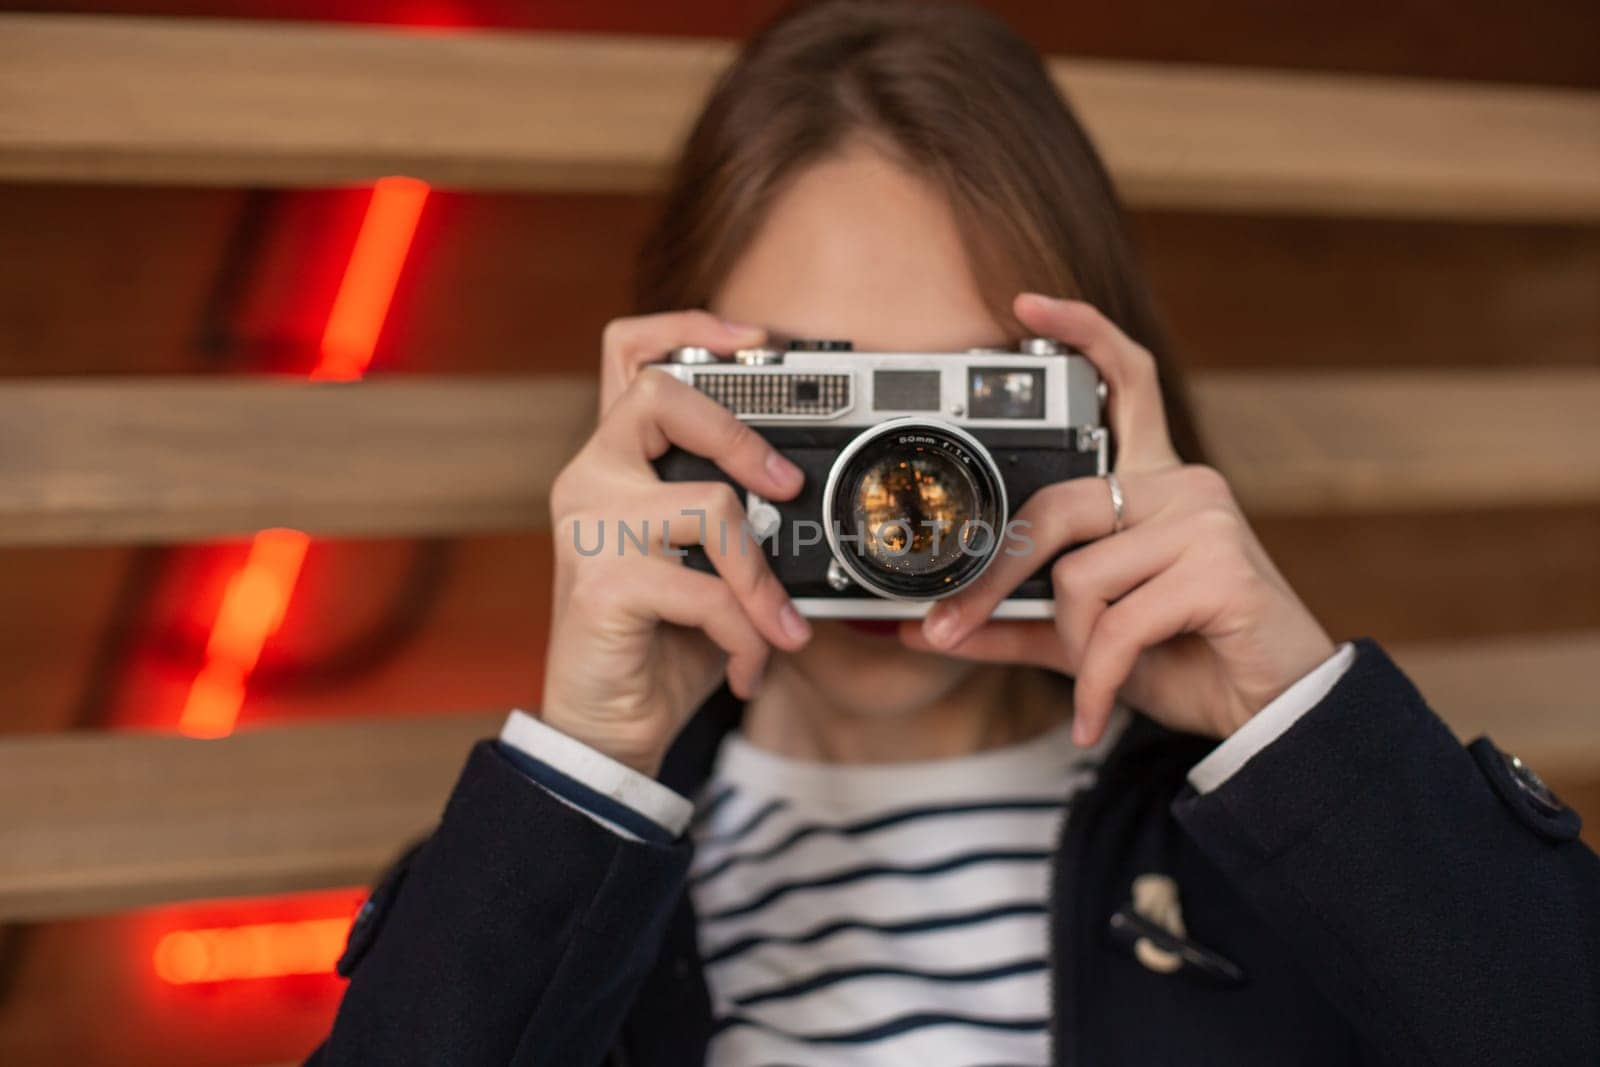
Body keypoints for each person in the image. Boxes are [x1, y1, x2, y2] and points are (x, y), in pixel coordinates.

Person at [308, 2, 1599, 1064]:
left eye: (964, 407)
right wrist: (590, 773)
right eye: (813, 402)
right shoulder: (552, 878)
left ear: (1097, 407)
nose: (894, 498)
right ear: (668, 406)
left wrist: (1295, 727)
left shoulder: (1285, 847)